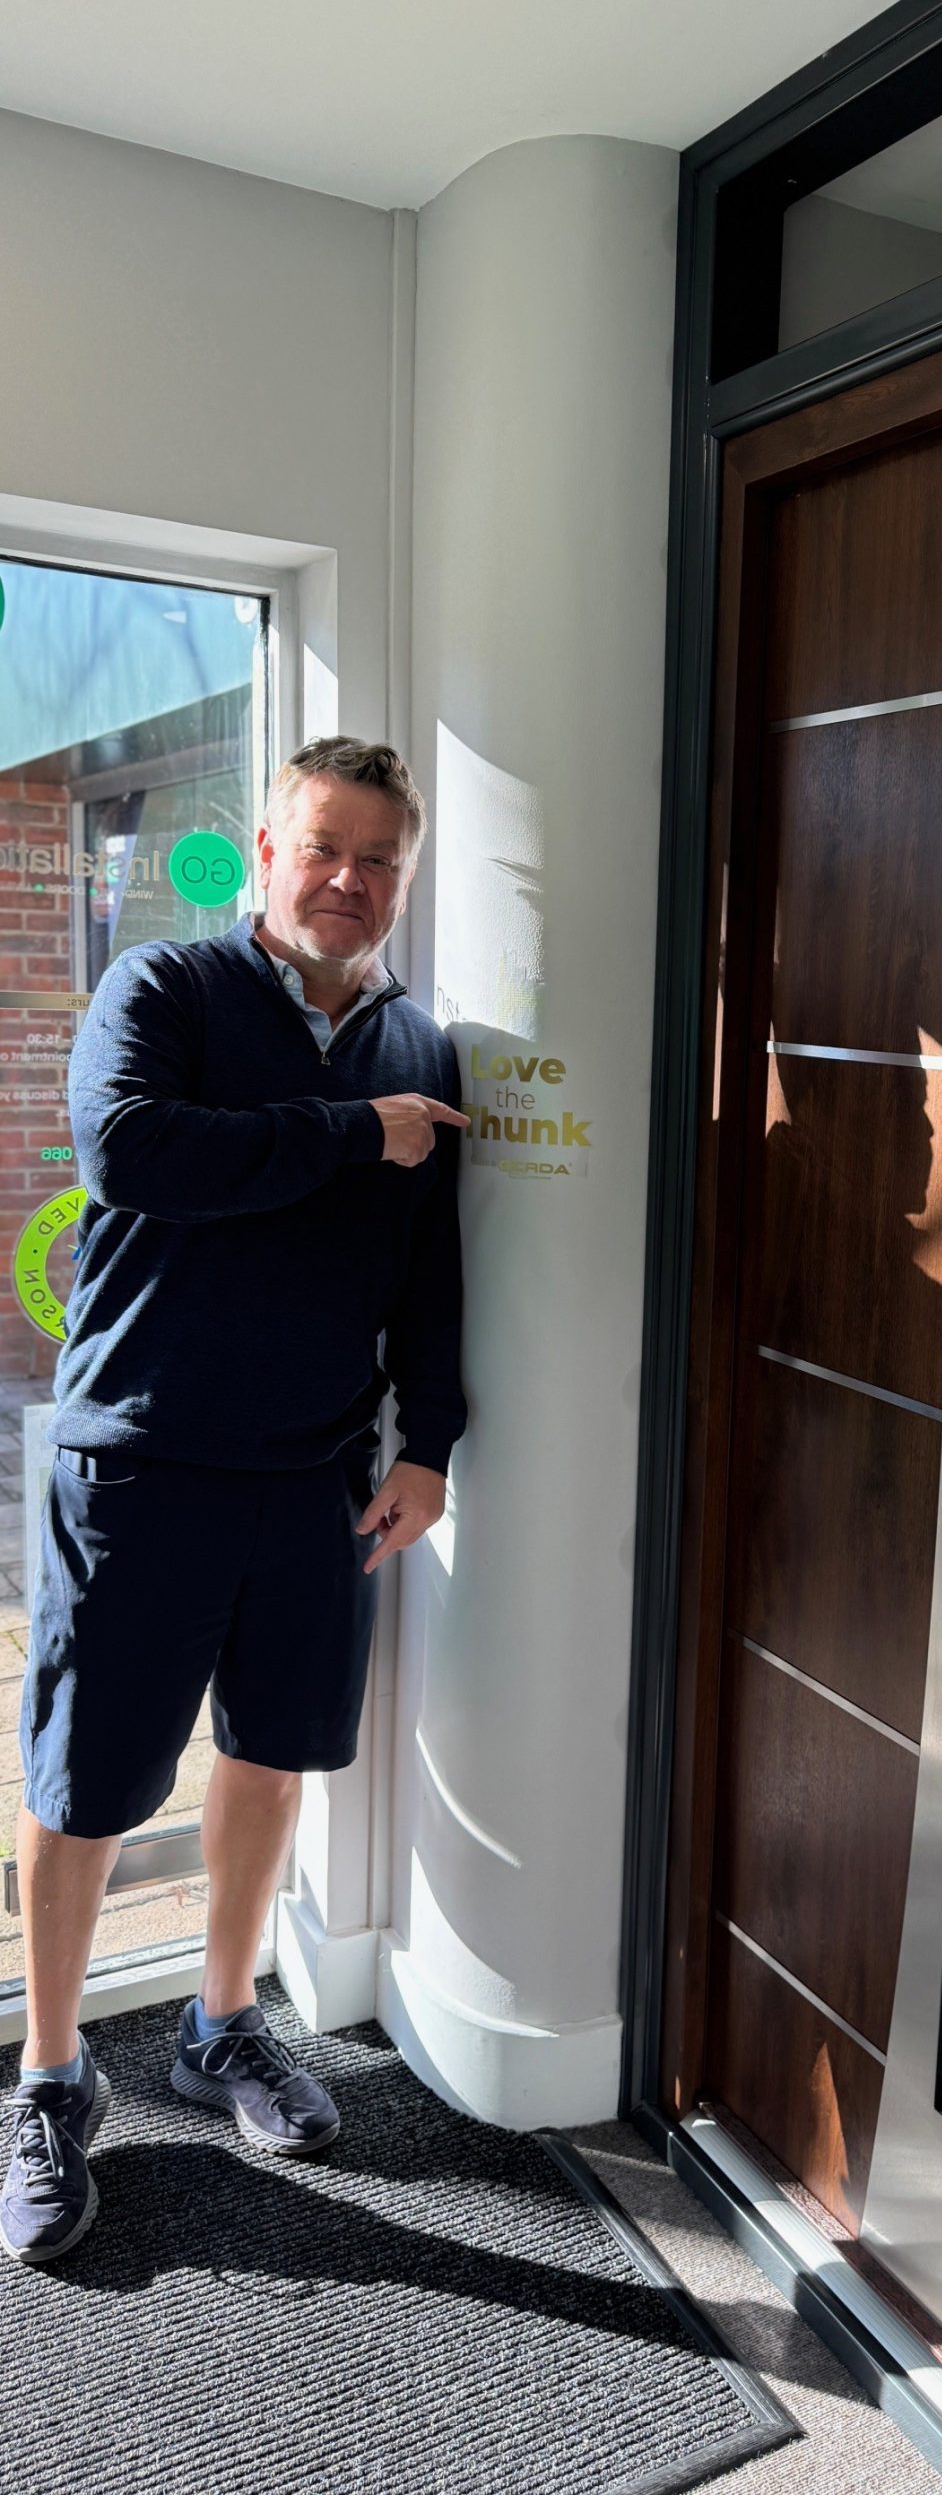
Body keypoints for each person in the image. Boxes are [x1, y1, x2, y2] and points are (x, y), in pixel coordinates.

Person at [1, 735, 470, 2264]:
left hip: (316, 1474)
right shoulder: (166, 988)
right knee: (87, 1784)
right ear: (265, 853)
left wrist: (429, 1444)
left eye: (380, 859)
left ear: (405, 876)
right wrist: (353, 1130)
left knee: (272, 1759)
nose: (350, 880)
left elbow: (430, 1267)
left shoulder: (420, 1043)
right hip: (138, 1462)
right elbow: (131, 1153)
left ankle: (219, 2026)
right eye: (323, 847)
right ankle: (52, 2077)